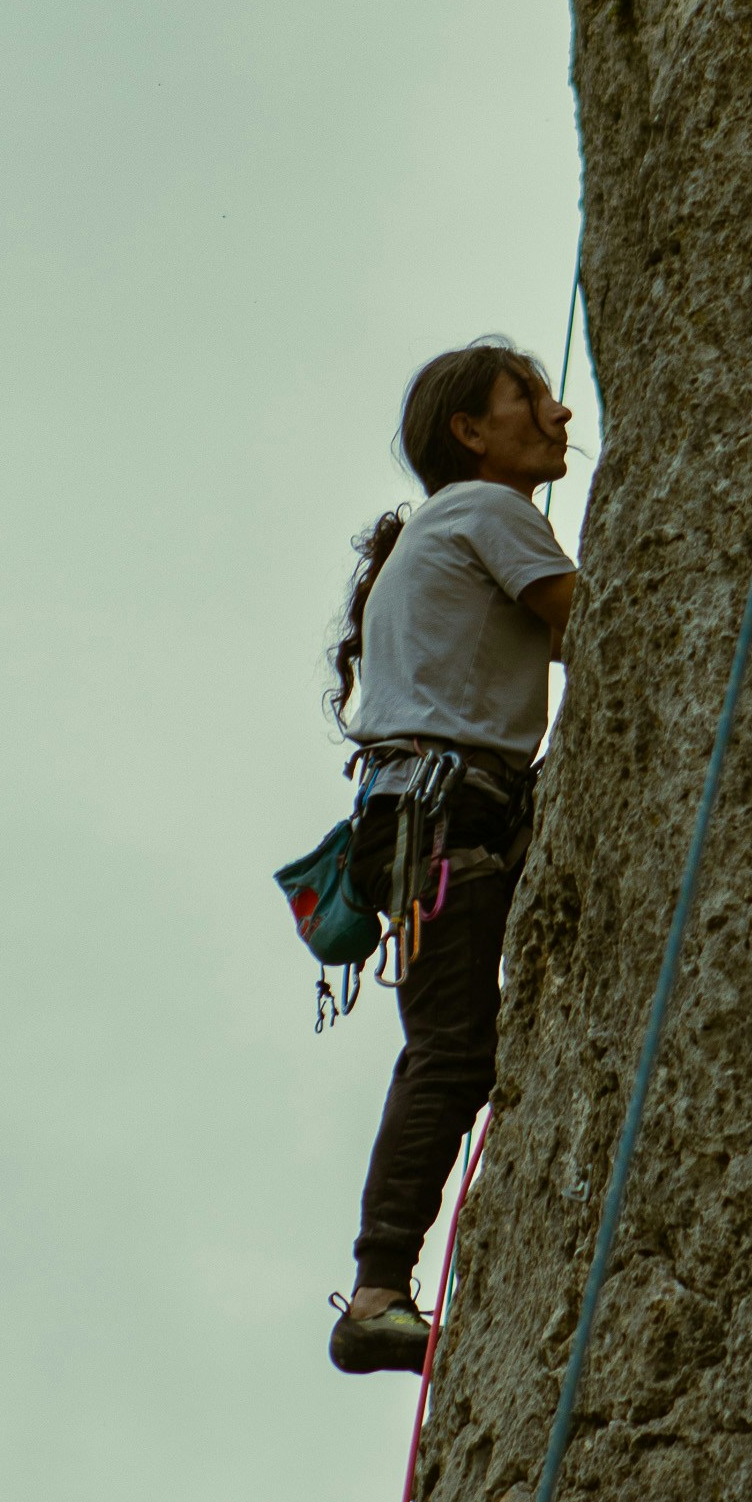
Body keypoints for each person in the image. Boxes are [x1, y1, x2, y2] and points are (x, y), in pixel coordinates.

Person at [325, 338, 577, 1375]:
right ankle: (376, 1294)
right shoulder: (485, 508)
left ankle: (378, 1286)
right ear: (470, 432)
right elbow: (594, 625)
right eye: (531, 398)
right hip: (445, 814)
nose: (559, 415)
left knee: (449, 1047)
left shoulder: (444, 526)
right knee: (453, 1050)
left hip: (418, 815)